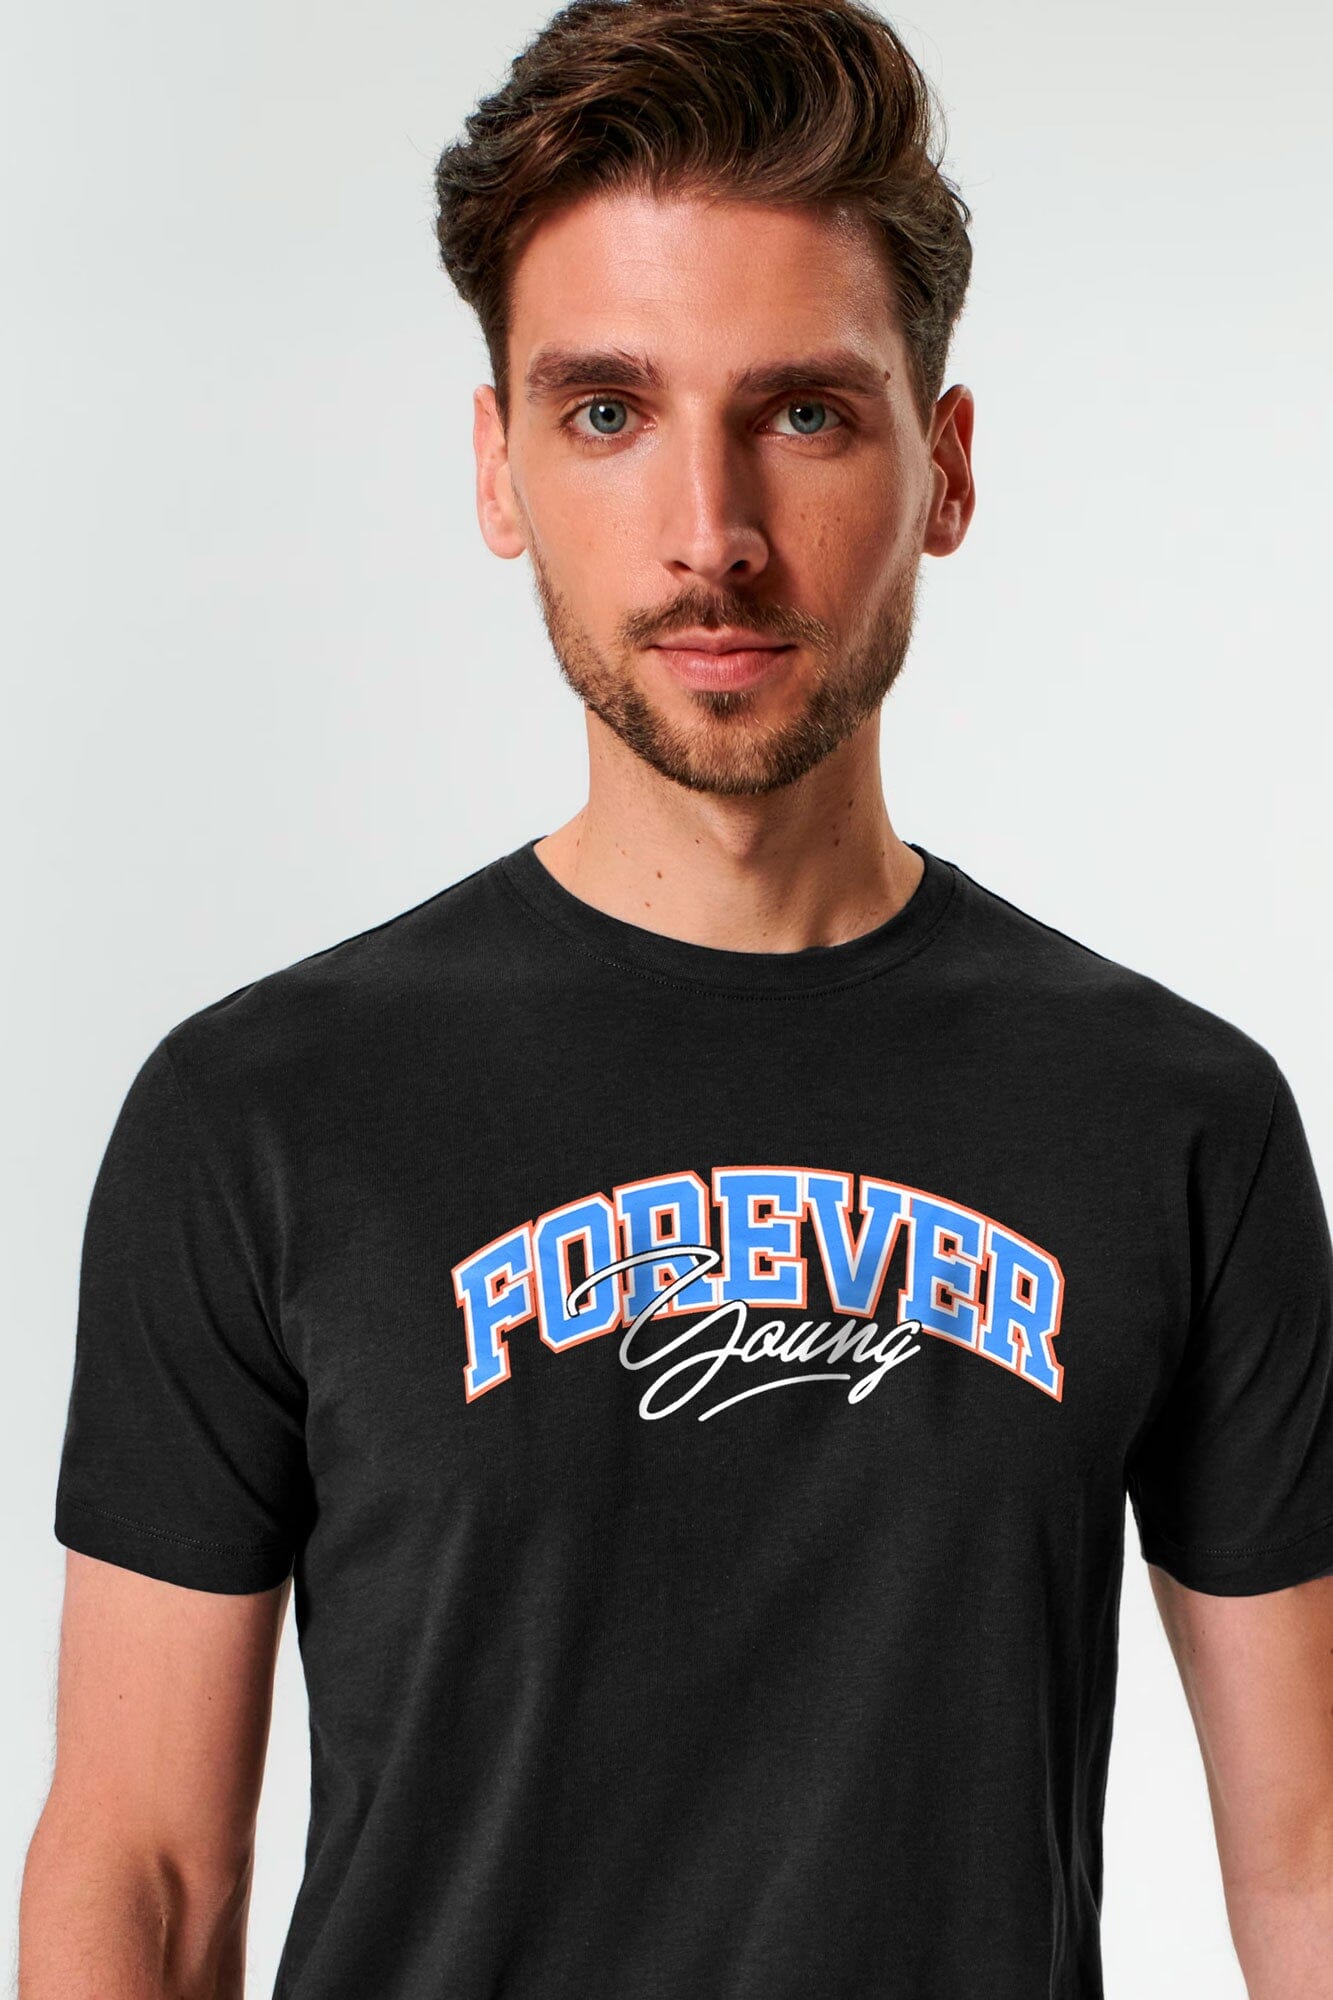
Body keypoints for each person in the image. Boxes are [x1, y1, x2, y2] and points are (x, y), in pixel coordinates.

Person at [21, 1, 1333, 1994]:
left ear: (942, 468)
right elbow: (143, 1876)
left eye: (801, 412)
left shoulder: (1172, 1120)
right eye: (606, 411)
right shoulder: (259, 1115)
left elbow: (1308, 1864)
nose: (709, 536)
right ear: (499, 467)